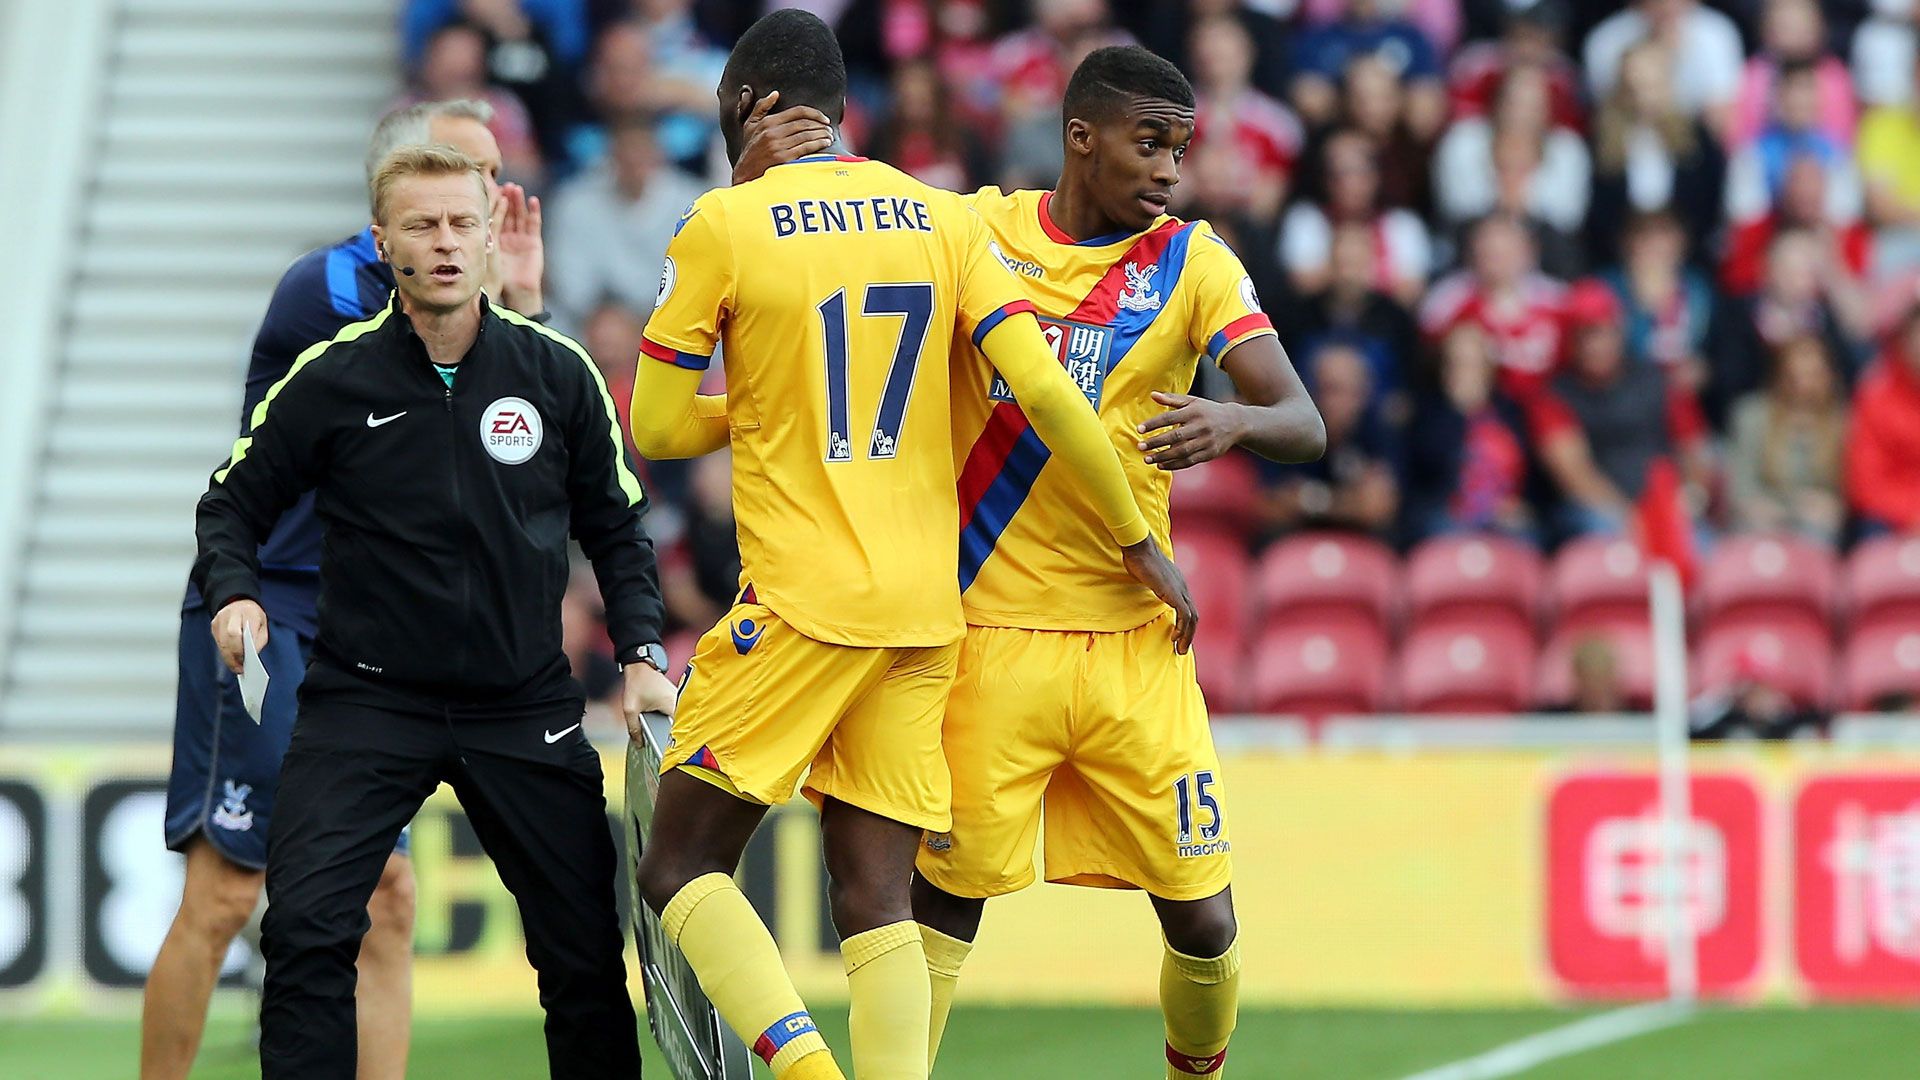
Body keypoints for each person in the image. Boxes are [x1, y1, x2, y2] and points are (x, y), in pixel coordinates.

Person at [627, 13, 1194, 1080]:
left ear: (749, 108)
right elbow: (1045, 393)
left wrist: (766, 401)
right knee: (876, 895)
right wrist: (1136, 539)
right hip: (929, 611)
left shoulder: (725, 223)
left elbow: (656, 429)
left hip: (802, 601)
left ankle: (806, 1074)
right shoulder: (943, 217)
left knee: (677, 864)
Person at [871, 46, 1322, 1080]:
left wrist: (1236, 418)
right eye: (1149, 142)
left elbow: (1306, 421)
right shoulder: (980, 230)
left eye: (1180, 147)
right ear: (1081, 137)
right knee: (947, 900)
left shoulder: (1193, 262)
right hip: (991, 635)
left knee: (1204, 920)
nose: (1170, 168)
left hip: (1136, 643)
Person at [192, 145, 672, 1079]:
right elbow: (230, 503)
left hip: (523, 704)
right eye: (422, 225)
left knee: (581, 957)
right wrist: (236, 592)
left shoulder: (557, 371)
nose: (445, 243)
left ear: (492, 235)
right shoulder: (333, 377)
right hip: (365, 705)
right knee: (303, 935)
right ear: (385, 242)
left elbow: (618, 527)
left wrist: (643, 651)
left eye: (462, 223)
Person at [142, 97, 544, 1080]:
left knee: (389, 898)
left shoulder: (476, 303)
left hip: (370, 632)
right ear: (400, 197)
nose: (493, 196)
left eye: (493, 179)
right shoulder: (325, 287)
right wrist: (511, 304)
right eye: (473, 171)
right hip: (266, 609)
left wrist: (521, 313)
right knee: (227, 895)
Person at [1531, 279, 1713, 539]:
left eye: (1603, 332)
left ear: (1619, 331)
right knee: (1599, 526)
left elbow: (1694, 447)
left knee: (1703, 545)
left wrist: (1691, 495)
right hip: (1598, 512)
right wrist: (1631, 517)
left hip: (1666, 504)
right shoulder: (1553, 397)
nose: (1595, 345)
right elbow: (1574, 474)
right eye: (1584, 335)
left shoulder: (1658, 381)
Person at [1726, 335, 1848, 543]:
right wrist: (1760, 507)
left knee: (1818, 531)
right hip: (1763, 515)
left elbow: (1849, 489)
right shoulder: (1751, 416)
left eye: (1813, 375)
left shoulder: (1844, 423)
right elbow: (1741, 487)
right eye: (1795, 376)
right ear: (1781, 376)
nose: (1804, 385)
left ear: (1829, 376)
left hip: (1816, 520)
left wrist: (1834, 505)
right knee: (1754, 532)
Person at [1846, 298, 1920, 535]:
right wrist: (1912, 515)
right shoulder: (1874, 395)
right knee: (1871, 530)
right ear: (1901, 342)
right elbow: (1864, 481)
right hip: (1890, 515)